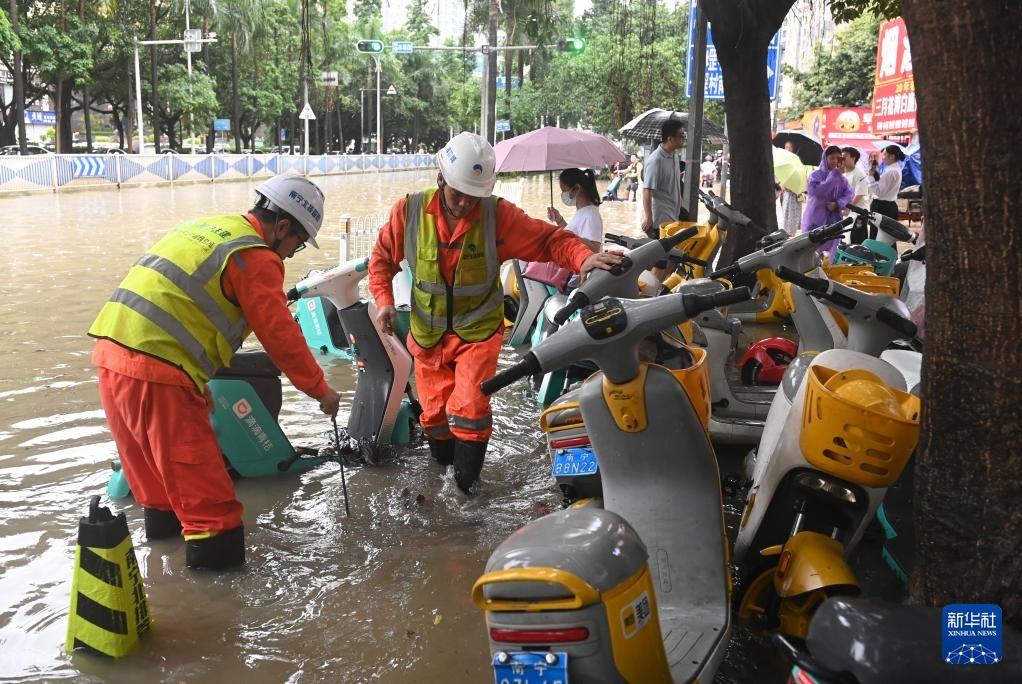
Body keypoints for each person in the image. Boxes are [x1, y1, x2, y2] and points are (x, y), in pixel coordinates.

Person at [88, 175, 342, 570]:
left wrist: (193, 382)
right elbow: (280, 334)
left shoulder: (208, 228)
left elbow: (178, 309)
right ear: (283, 227)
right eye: (296, 243)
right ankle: (217, 619)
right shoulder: (255, 256)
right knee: (214, 514)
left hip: (111, 359)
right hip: (158, 375)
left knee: (160, 494)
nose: (291, 255)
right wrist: (321, 389)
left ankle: (166, 586)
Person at [368, 133, 621, 494]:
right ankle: (442, 486)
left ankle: (465, 496)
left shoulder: (497, 215)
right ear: (441, 179)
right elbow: (380, 261)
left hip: (477, 335)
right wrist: (384, 301)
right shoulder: (407, 212)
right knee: (435, 417)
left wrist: (584, 257)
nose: (465, 202)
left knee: (470, 411)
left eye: (474, 196)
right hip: (427, 337)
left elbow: (550, 241)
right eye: (458, 193)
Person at [802, 145, 854, 257]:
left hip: (834, 221)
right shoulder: (815, 176)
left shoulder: (842, 179)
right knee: (813, 250)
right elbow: (818, 192)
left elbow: (849, 194)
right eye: (832, 158)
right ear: (825, 159)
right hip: (815, 219)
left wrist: (838, 204)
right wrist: (834, 175)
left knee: (831, 254)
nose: (835, 161)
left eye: (838, 158)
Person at [640, 116, 686, 239]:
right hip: (660, 220)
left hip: (674, 214)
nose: (683, 138)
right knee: (662, 256)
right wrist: (648, 217)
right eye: (681, 136)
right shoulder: (656, 160)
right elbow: (646, 190)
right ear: (670, 139)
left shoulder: (674, 156)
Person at [868, 145, 906, 237]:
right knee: (886, 236)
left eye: (884, 155)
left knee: (879, 236)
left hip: (882, 207)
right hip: (886, 206)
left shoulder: (891, 171)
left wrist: (870, 176)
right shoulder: (892, 169)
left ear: (892, 156)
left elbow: (879, 192)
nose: (883, 158)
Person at [841, 146, 870, 243]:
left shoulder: (859, 173)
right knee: (846, 238)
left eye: (845, 157)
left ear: (853, 158)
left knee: (857, 240)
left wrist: (848, 208)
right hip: (847, 212)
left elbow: (860, 194)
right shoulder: (843, 173)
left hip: (858, 213)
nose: (842, 159)